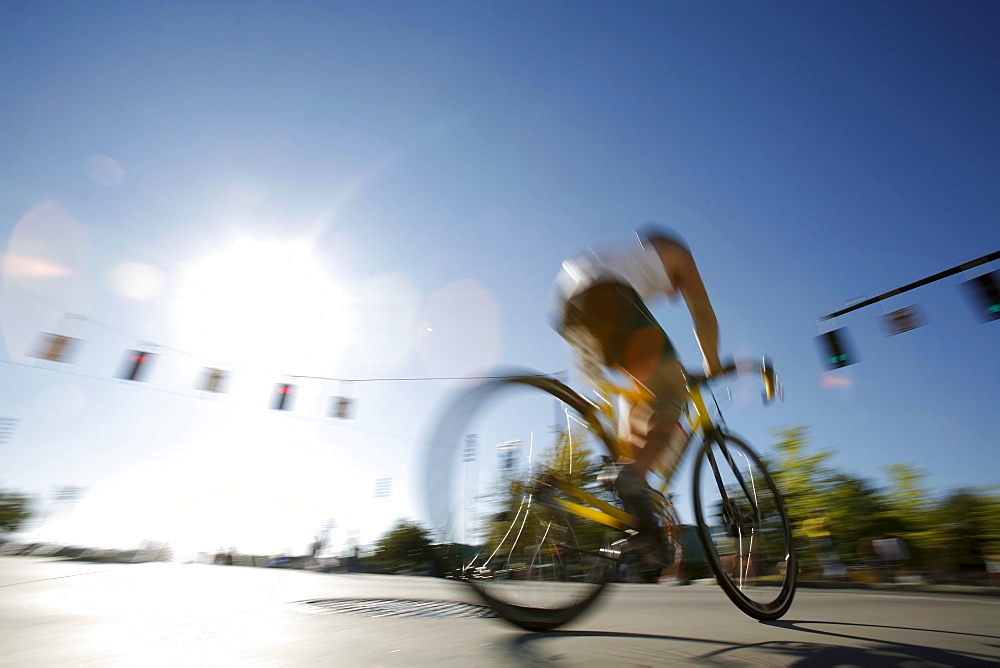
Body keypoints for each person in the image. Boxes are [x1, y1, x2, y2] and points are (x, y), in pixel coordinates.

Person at [552, 225, 723, 565]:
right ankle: (633, 477)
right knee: (672, 387)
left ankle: (637, 516)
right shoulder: (675, 253)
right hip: (608, 295)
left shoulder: (624, 256)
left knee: (638, 404)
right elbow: (702, 313)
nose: (672, 294)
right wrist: (712, 362)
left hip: (570, 310)